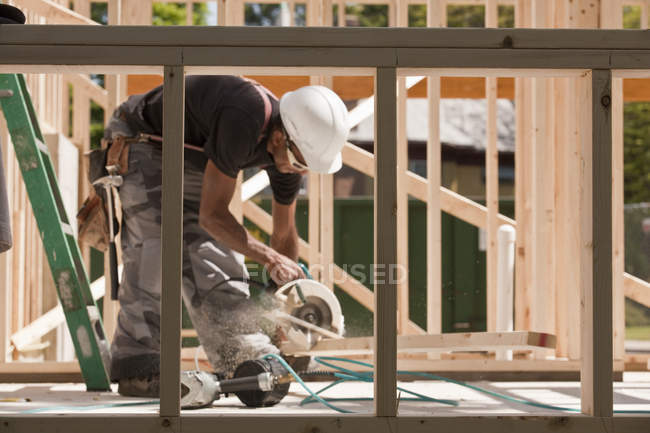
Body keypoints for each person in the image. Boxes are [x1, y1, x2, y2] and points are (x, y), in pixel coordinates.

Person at [102, 75, 349, 397]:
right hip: (144, 140)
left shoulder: (289, 156)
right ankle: (137, 366)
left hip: (194, 155)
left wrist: (289, 298)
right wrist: (270, 259)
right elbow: (212, 215)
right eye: (301, 161)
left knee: (214, 258)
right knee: (156, 248)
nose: (301, 171)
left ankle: (243, 360)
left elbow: (284, 232)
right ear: (278, 138)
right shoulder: (244, 115)